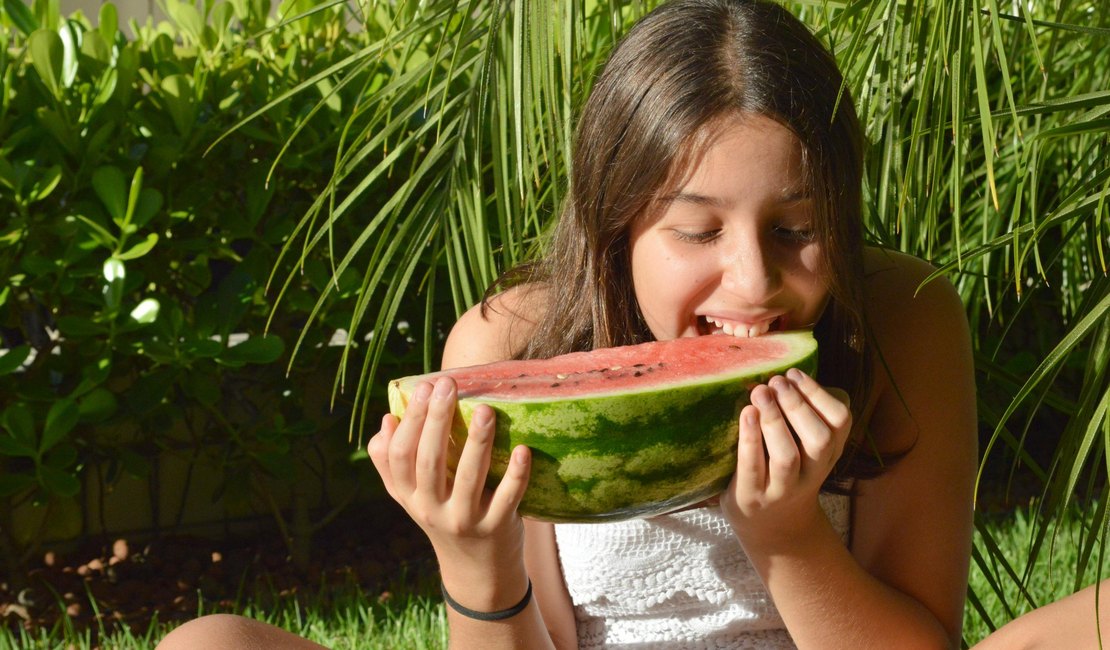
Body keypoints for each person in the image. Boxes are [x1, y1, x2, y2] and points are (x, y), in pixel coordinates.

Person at [160, 0, 984, 647]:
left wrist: (789, 541)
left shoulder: (900, 320)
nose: (755, 279)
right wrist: (476, 565)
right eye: (698, 231)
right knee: (210, 643)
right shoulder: (505, 344)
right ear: (614, 223)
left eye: (800, 230)